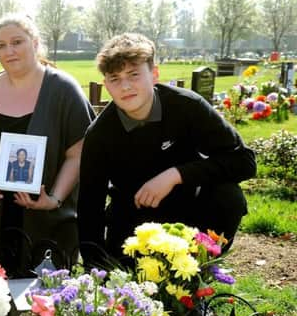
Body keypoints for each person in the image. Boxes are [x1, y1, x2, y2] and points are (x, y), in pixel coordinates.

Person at [77, 33, 256, 265]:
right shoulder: (99, 134)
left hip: (190, 211)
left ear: (154, 74)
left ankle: (198, 271)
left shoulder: (188, 106)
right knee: (141, 282)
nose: (125, 86)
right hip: (136, 220)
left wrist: (175, 175)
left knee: (228, 196)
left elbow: (244, 161)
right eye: (115, 79)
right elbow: (90, 205)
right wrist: (97, 270)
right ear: (106, 86)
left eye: (133, 74)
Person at [0, 14, 94, 275]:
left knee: (43, 303)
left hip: (48, 223)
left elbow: (79, 153)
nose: (9, 51)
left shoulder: (63, 90)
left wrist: (53, 199)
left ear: (35, 42)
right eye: (1, 45)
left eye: (17, 42)